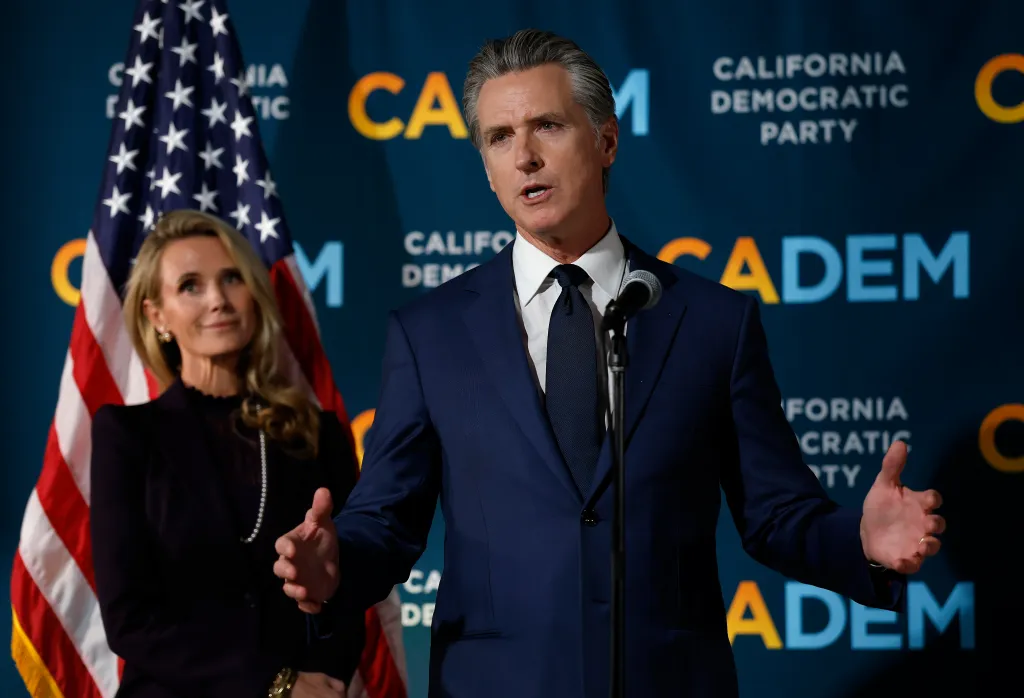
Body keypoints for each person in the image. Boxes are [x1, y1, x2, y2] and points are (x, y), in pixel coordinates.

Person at [273, 30, 946, 698]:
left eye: (548, 126)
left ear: (606, 142)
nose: (526, 157)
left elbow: (775, 513)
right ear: (485, 164)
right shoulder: (430, 335)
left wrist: (857, 539)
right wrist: (335, 567)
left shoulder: (713, 322)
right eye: (500, 137)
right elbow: (387, 521)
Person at [90, 209, 363, 698]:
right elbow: (129, 618)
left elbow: (347, 593)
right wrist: (275, 684)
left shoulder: (316, 434)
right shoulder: (127, 435)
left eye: (232, 278)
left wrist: (325, 680)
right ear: (157, 315)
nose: (218, 299)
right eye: (190, 286)